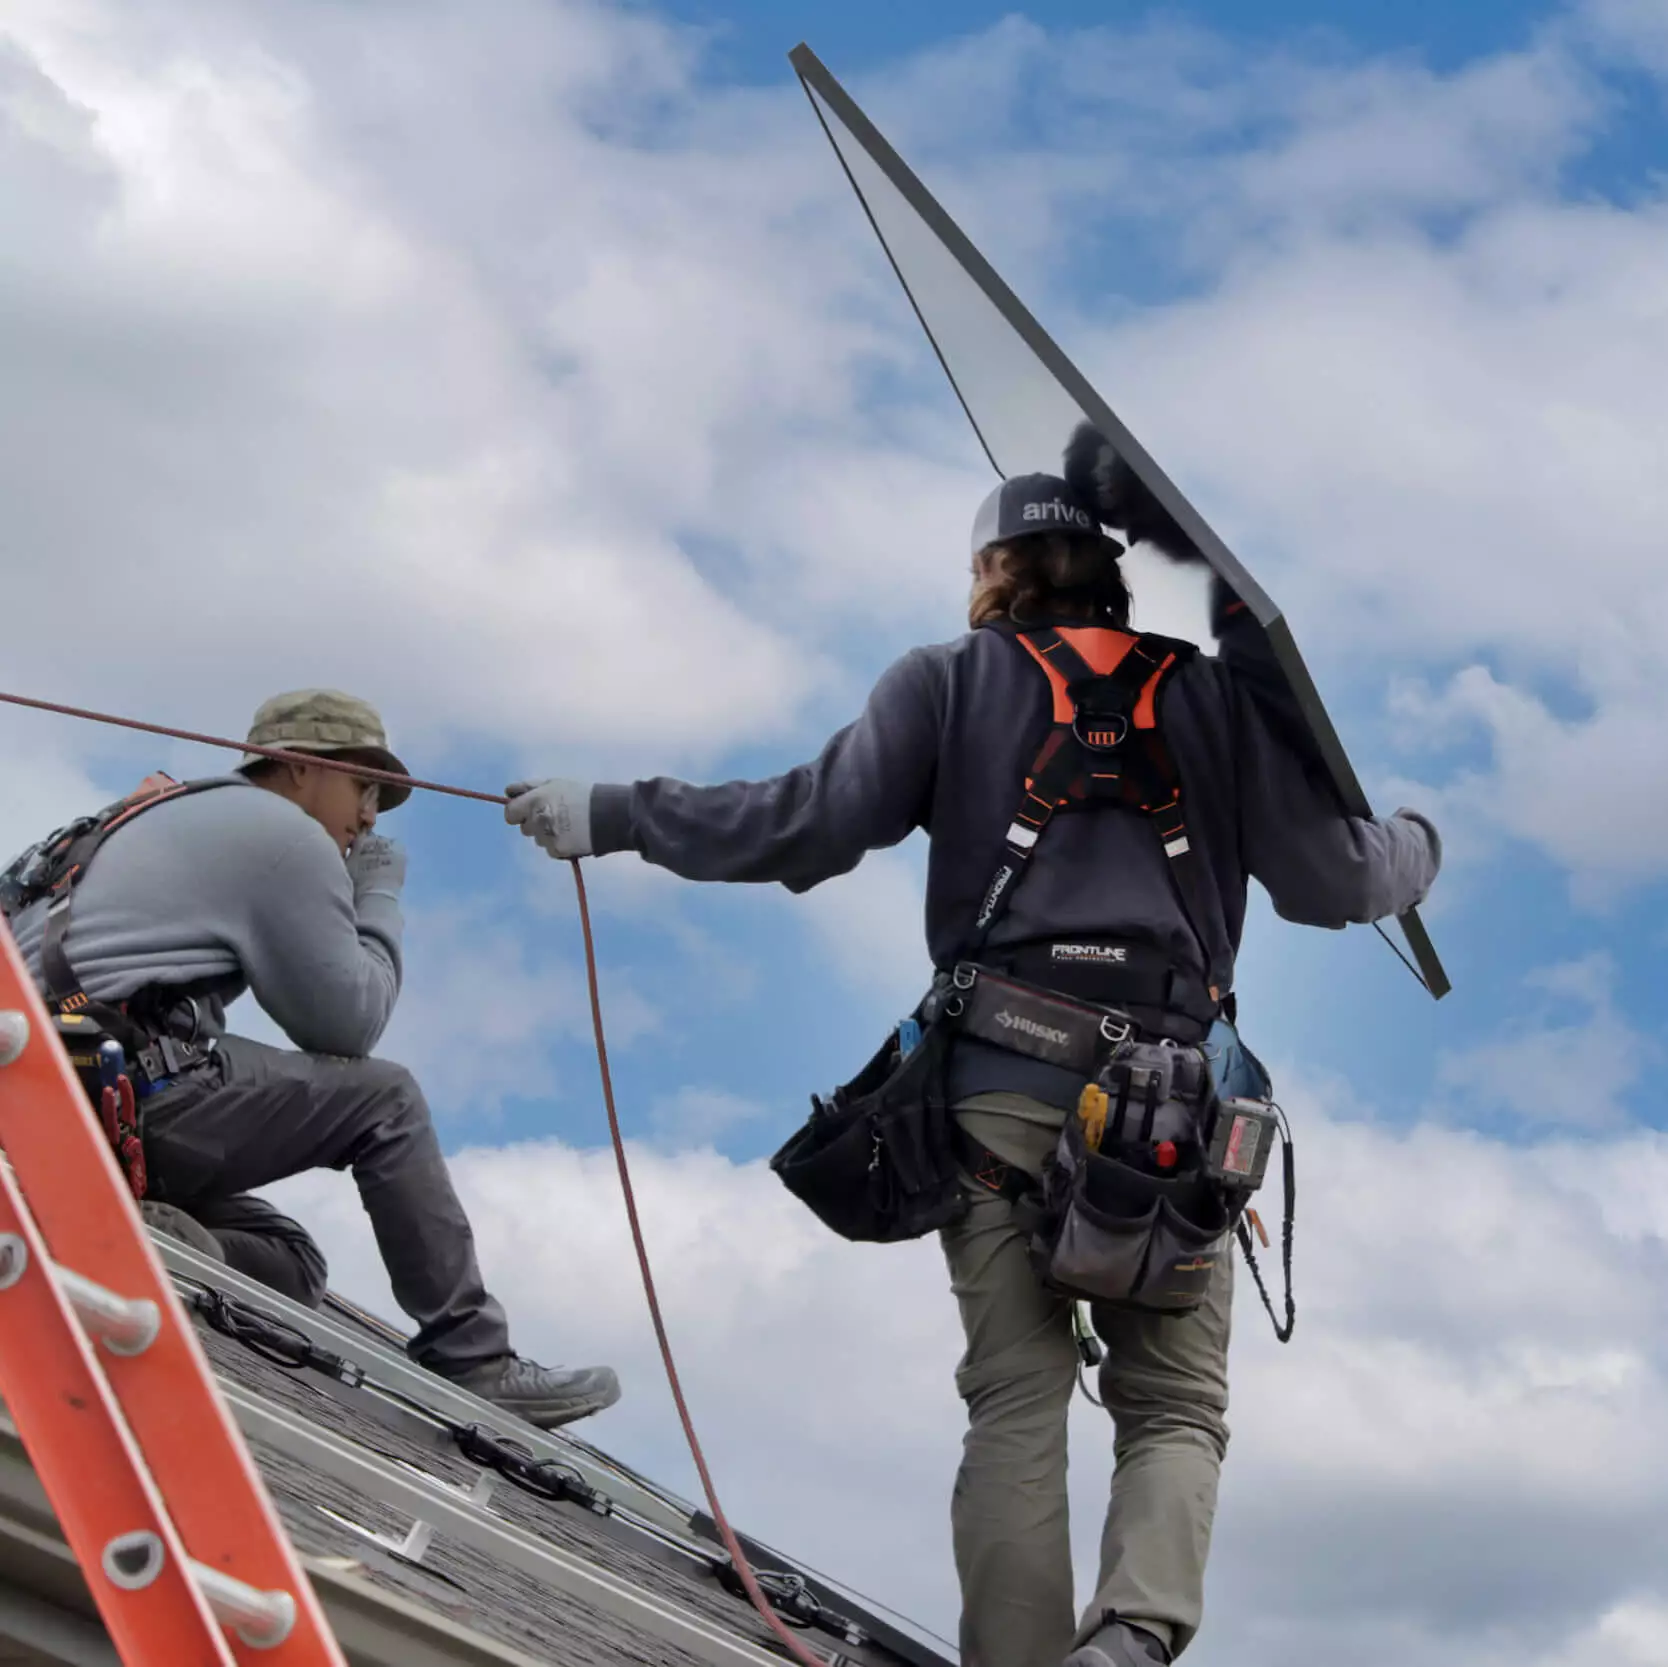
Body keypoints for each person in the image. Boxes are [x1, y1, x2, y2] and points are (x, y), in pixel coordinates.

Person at [505, 453, 1441, 1663]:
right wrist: (1420, 842)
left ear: (994, 571)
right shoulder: (1210, 697)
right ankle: (1134, 1639)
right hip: (1171, 1105)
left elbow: (807, 822)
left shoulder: (947, 682)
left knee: (1015, 1394)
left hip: (1002, 1079)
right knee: (1172, 1406)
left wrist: (617, 811)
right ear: (1109, 572)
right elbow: (1339, 879)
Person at [4, 689, 619, 1431]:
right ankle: (475, 1359)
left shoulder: (147, 816)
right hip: (113, 1089)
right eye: (363, 789)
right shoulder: (279, 831)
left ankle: (151, 1235)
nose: (368, 818)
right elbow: (347, 1022)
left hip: (37, 1096)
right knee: (385, 1099)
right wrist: (379, 897)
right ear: (299, 769)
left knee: (289, 1261)